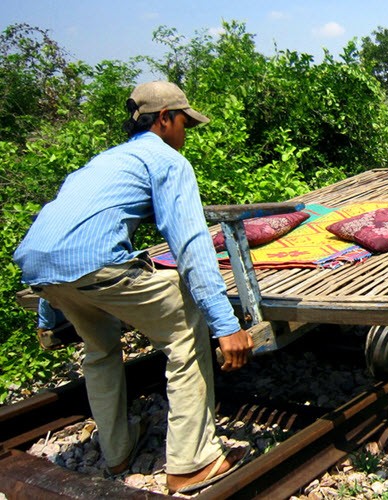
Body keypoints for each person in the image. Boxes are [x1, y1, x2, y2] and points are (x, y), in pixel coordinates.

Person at [13, 81, 253, 494]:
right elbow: (191, 244)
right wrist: (226, 324)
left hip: (42, 273)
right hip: (95, 267)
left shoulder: (100, 162)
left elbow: (52, 241)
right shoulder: (166, 160)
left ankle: (117, 451)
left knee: (100, 345)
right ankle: (192, 462)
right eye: (184, 124)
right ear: (164, 119)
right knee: (184, 326)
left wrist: (49, 315)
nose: (185, 134)